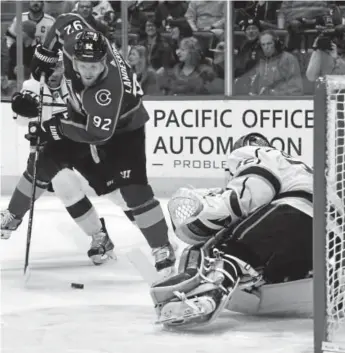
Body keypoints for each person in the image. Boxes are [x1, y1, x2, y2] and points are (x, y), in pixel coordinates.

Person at [2, 13, 176, 273]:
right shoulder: (75, 44)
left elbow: (96, 134)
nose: (88, 71)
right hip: (83, 119)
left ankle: (162, 246)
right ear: (73, 56)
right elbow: (65, 20)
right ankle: (10, 218)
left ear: (104, 60)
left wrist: (53, 128)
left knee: (133, 191)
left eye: (94, 66)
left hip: (124, 129)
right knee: (45, 161)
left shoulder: (107, 92)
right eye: (83, 65)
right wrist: (46, 51)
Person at [150, 132, 313, 327]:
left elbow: (248, 195)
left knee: (231, 248)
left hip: (293, 212)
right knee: (272, 268)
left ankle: (209, 295)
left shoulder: (254, 153)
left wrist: (211, 216)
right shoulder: (297, 167)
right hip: (329, 232)